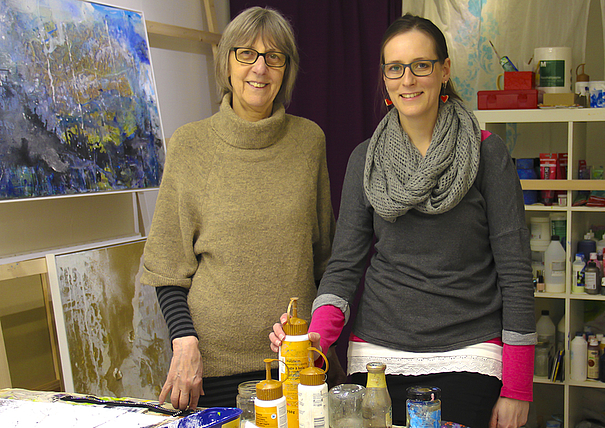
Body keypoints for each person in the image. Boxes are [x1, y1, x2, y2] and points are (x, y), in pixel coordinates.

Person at [270, 13, 534, 428]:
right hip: (376, 359)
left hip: (469, 354)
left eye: (421, 66)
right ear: (385, 76)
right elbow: (343, 268)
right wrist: (318, 338)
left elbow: (517, 274)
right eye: (395, 68)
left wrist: (518, 387)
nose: (407, 79)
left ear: (444, 71)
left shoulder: (487, 154)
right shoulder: (366, 159)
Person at [140, 6, 335, 410]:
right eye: (246, 53)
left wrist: (321, 341)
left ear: (286, 70)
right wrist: (184, 340)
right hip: (212, 372)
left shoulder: (309, 142)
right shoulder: (190, 145)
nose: (260, 68)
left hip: (297, 365)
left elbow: (327, 261)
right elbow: (166, 265)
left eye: (273, 57)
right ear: (226, 63)